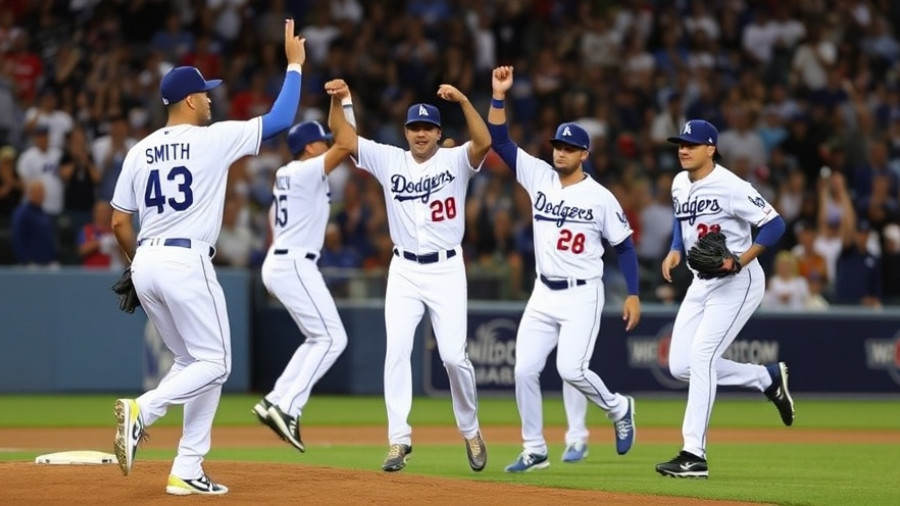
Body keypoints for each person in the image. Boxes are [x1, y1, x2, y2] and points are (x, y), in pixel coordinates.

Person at [109, 20, 306, 496]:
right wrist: (295, 64)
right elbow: (280, 121)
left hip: (148, 261)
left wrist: (136, 268)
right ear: (192, 100)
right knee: (216, 363)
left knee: (193, 362)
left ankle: (187, 468)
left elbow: (118, 221)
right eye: (208, 94)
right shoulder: (211, 138)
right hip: (185, 260)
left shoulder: (139, 150)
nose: (212, 100)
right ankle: (144, 411)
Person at [327, 78, 491, 473]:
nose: (421, 133)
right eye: (414, 128)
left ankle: (470, 429)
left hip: (447, 267)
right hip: (404, 268)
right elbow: (346, 139)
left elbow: (484, 142)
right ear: (406, 132)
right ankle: (398, 440)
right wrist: (339, 101)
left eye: (428, 128)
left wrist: (466, 101)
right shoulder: (389, 159)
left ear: (439, 133)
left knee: (454, 358)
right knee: (396, 353)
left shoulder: (454, 160)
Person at [487, 66, 640, 472]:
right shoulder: (539, 175)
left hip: (581, 292)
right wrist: (499, 96)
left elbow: (624, 246)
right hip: (543, 291)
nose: (560, 152)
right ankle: (534, 448)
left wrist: (634, 293)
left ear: (584, 155)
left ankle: (619, 407)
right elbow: (499, 142)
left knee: (570, 369)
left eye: (569, 149)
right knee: (523, 370)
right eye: (557, 146)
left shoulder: (600, 197)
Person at [656, 119, 794, 479]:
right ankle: (764, 379)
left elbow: (775, 224)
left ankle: (693, 454)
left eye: (691, 143)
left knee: (702, 355)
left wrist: (740, 261)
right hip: (701, 283)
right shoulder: (679, 182)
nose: (683, 149)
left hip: (738, 282)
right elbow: (680, 219)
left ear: (711, 148)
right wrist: (674, 249)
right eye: (680, 143)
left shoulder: (731, 185)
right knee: (680, 366)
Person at [251, 91, 356, 452]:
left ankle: (275, 400)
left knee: (318, 338)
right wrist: (344, 102)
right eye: (320, 143)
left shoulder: (290, 175)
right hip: (294, 262)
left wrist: (335, 103)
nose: (325, 146)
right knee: (333, 339)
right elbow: (347, 143)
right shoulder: (305, 169)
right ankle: (287, 407)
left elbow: (340, 139)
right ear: (308, 148)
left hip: (281, 259)